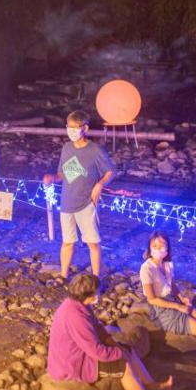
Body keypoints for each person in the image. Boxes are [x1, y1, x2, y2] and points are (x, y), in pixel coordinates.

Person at [48, 273, 172, 390]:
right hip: (73, 364)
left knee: (128, 349)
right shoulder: (75, 317)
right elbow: (96, 352)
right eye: (96, 293)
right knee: (123, 365)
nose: (99, 295)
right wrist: (119, 354)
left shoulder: (79, 305)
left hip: (81, 352)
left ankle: (150, 384)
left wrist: (112, 342)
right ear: (88, 295)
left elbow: (97, 325)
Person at [42, 110, 115, 279]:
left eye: (76, 128)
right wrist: (52, 178)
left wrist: (99, 184)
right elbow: (62, 173)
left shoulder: (95, 150)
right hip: (67, 203)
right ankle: (63, 275)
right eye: (69, 127)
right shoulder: (67, 148)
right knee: (67, 242)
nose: (72, 131)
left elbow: (110, 171)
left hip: (86, 204)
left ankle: (95, 278)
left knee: (92, 243)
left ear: (85, 128)